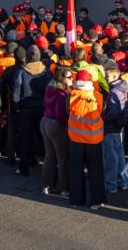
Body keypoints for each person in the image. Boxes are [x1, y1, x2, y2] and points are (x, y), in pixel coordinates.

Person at [67, 69, 106, 209]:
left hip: (75, 139)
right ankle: (96, 201)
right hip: (94, 139)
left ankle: (76, 200)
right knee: (95, 170)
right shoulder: (98, 96)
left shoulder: (71, 95)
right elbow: (101, 111)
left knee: (75, 170)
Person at [11, 46, 50, 176]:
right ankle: (49, 167)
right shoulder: (46, 71)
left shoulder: (21, 71)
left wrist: (17, 107)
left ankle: (24, 167)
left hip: (26, 109)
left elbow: (16, 91)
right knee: (43, 138)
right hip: (42, 109)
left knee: (25, 138)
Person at [41, 67, 72, 198]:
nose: (72, 79)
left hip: (45, 121)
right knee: (62, 158)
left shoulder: (49, 88)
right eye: (69, 77)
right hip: (56, 125)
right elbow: (61, 116)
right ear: (61, 78)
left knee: (49, 155)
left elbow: (43, 103)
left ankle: (47, 185)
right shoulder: (61, 94)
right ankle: (63, 188)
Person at [101, 59, 128, 194]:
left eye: (107, 76)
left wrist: (102, 118)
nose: (105, 78)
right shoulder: (122, 88)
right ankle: (122, 181)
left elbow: (113, 112)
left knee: (110, 158)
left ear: (115, 75)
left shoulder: (113, 92)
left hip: (111, 128)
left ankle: (111, 185)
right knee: (119, 155)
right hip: (119, 127)